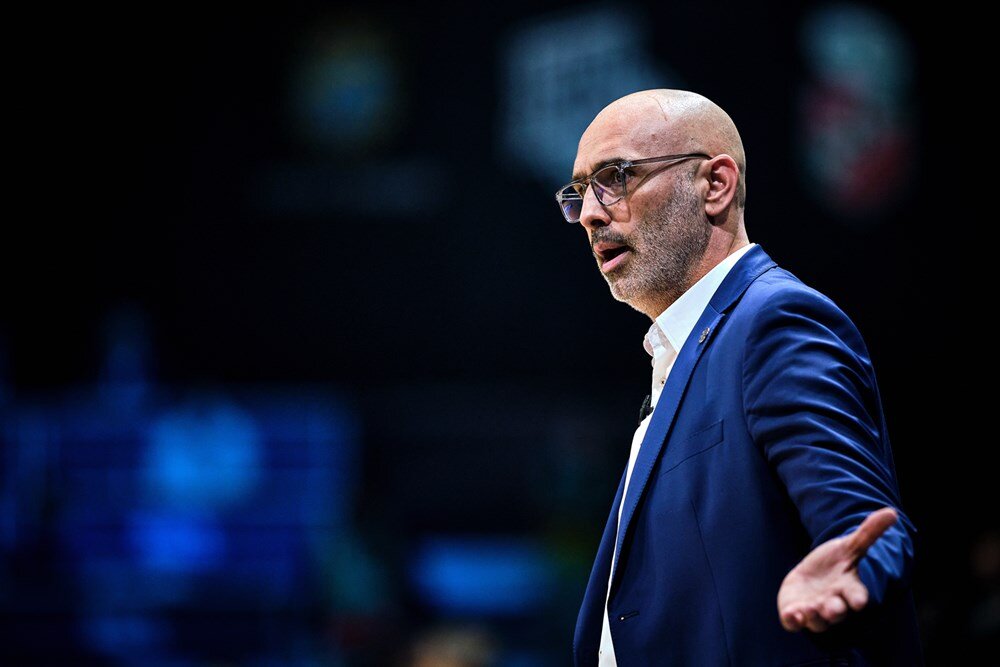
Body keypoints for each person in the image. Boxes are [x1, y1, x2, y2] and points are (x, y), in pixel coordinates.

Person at [557, 90, 922, 665]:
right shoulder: (683, 352)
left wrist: (852, 573)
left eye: (615, 178)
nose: (591, 214)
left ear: (715, 185)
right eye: (580, 192)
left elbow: (865, 527)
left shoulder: (773, 322)